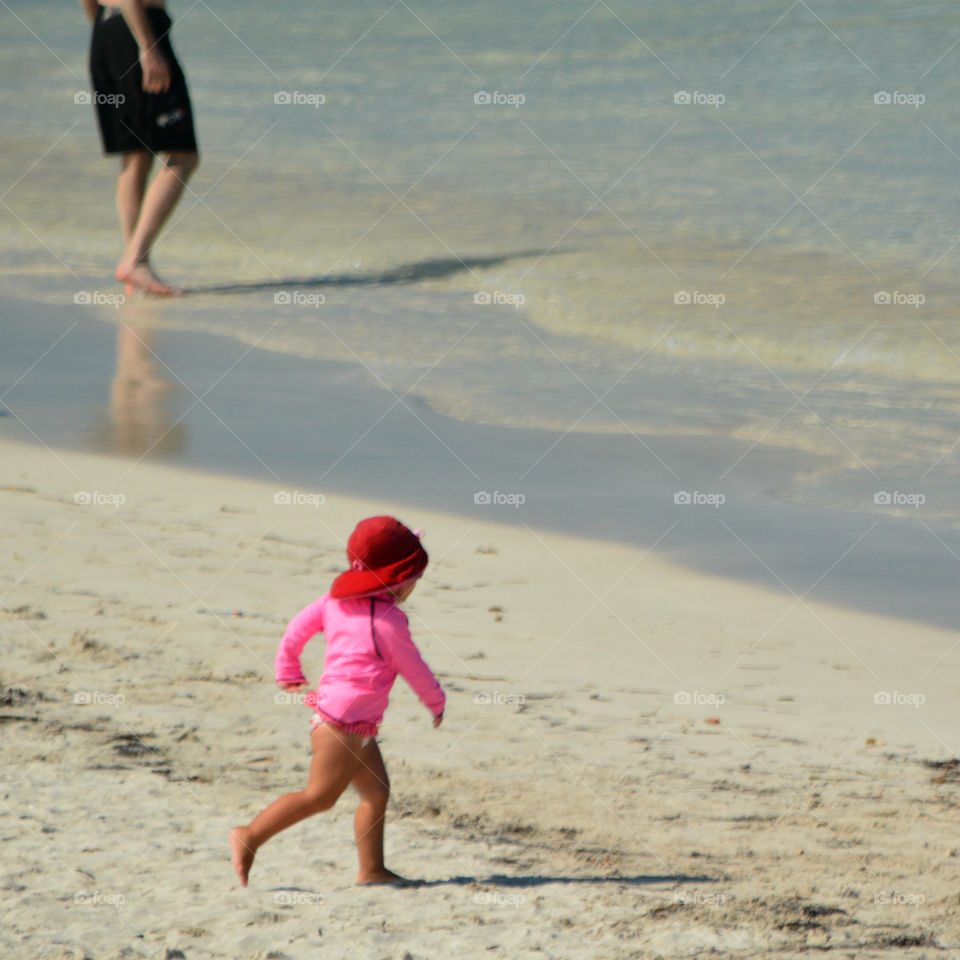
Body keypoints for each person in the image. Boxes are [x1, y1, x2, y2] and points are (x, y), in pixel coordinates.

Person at [230, 516, 446, 887]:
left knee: (376, 792)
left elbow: (297, 629)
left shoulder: (334, 602)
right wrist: (436, 701)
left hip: (351, 721)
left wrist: (288, 669)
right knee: (319, 797)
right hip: (343, 723)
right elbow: (414, 667)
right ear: (399, 578)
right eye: (413, 579)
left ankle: (372, 870)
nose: (413, 586)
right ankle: (249, 836)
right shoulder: (389, 623)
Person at [80, 0, 199, 296]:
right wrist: (147, 45)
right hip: (139, 28)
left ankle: (136, 270)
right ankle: (135, 260)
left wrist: (106, 26)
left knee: (136, 156)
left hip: (107, 30)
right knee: (183, 155)